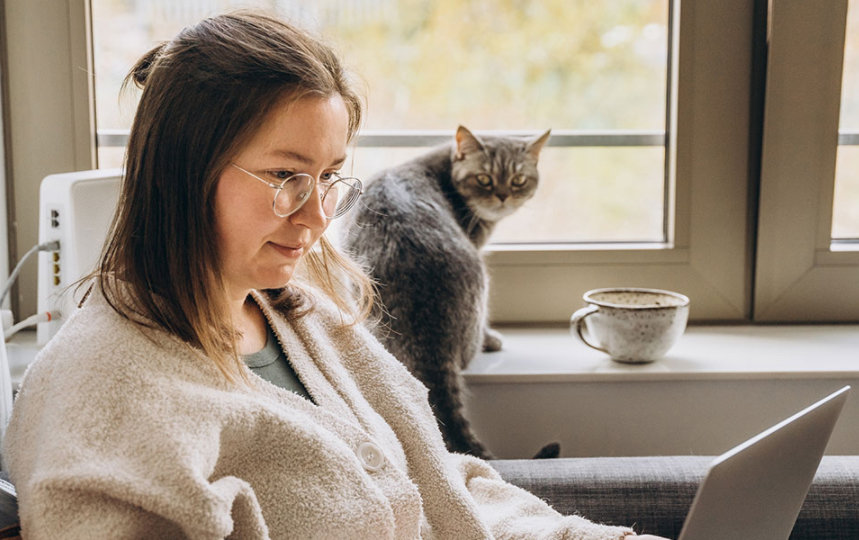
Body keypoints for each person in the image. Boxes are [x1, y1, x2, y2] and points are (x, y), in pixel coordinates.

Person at [3, 11, 668, 539]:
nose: (317, 216)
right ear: (182, 171)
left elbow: (432, 486)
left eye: (328, 177)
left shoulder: (302, 315)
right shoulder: (102, 397)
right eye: (286, 176)